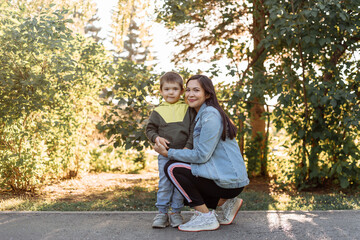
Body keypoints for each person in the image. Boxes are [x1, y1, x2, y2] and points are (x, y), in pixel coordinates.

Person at [154, 74, 250, 232]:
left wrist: (168, 152)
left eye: (196, 90)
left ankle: (206, 217)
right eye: (188, 90)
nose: (190, 94)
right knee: (182, 178)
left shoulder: (210, 116)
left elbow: (201, 156)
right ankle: (226, 203)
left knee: (172, 168)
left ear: (207, 94)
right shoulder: (201, 114)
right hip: (227, 179)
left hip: (228, 180)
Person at [146, 72, 196, 228]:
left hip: (184, 154)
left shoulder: (188, 109)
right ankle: (162, 213)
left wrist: (188, 147)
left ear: (182, 91)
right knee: (165, 183)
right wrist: (156, 138)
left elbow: (193, 130)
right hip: (164, 154)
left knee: (179, 183)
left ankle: (175, 213)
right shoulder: (158, 111)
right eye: (167, 89)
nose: (170, 92)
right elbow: (150, 129)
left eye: (175, 89)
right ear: (161, 91)